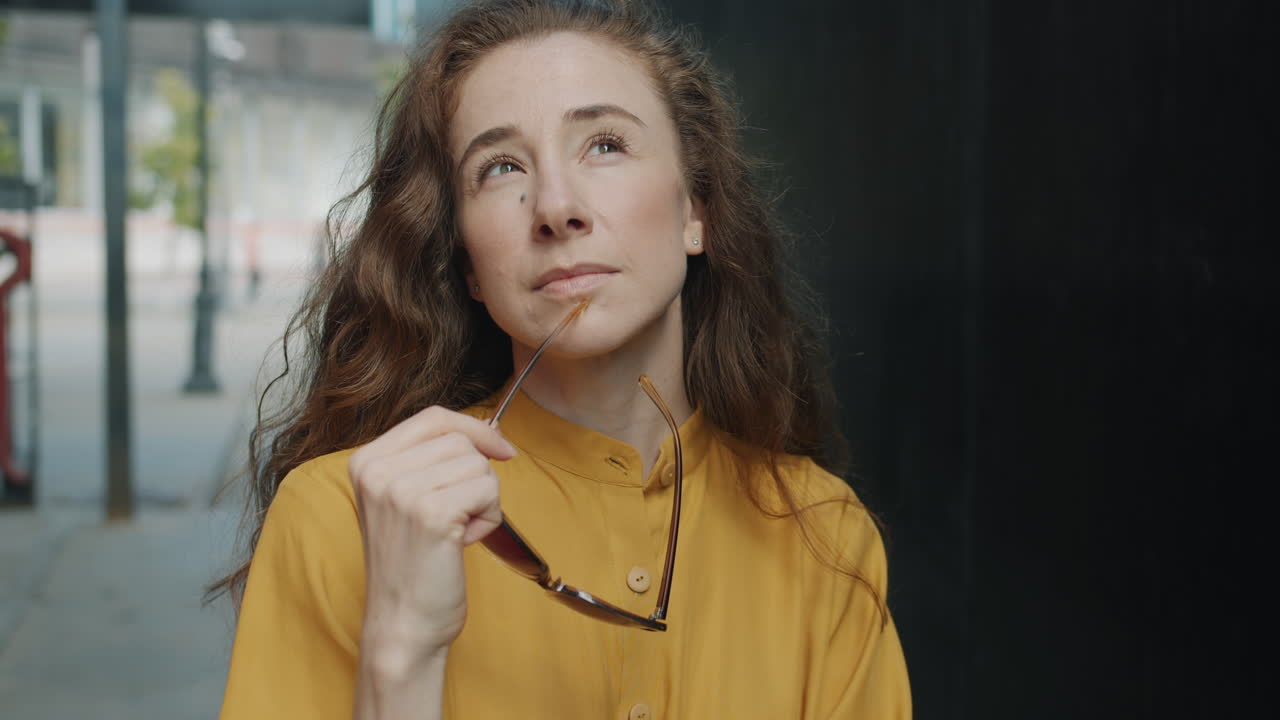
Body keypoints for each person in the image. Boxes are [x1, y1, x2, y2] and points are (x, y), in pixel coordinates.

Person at [214, 1, 911, 718]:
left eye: (605, 145)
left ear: (695, 209)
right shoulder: (342, 517)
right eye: (500, 167)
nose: (555, 206)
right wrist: (401, 650)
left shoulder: (823, 533)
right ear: (468, 267)